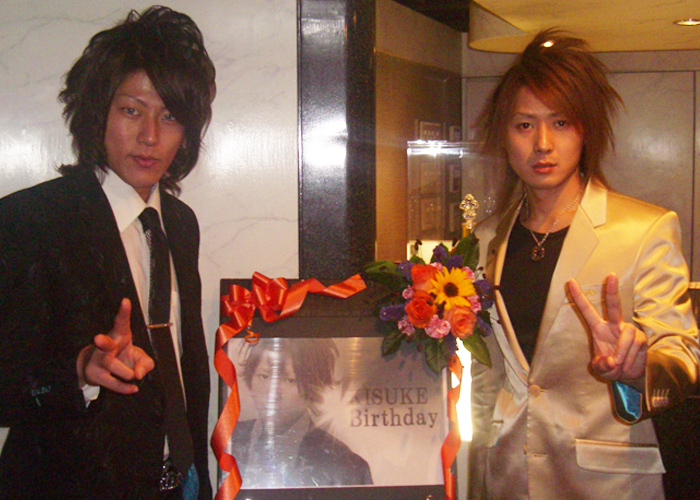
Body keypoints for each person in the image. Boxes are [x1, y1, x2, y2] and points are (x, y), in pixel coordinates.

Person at [469, 29, 700, 500]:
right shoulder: (484, 240)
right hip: (505, 476)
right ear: (504, 136)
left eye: (561, 123)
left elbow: (683, 352)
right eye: (524, 125)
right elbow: (485, 374)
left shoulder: (644, 230)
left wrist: (635, 370)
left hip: (607, 481)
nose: (543, 144)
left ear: (585, 131)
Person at [0, 6, 216, 499]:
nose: (150, 136)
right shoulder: (30, 220)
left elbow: (184, 368)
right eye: (132, 110)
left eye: (170, 116)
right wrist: (80, 369)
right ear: (98, 112)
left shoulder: (180, 223)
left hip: (180, 483)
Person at [230, 338, 373, 488]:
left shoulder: (347, 466)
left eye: (290, 380)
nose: (273, 393)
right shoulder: (228, 440)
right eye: (264, 376)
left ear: (313, 386)